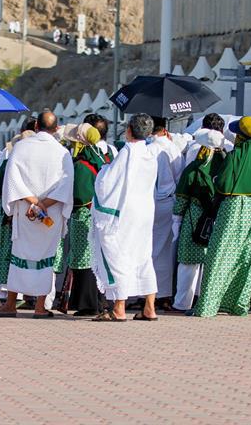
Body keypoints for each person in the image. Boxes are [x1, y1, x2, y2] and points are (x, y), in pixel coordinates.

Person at [0, 111, 74, 318]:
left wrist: (32, 202)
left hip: (25, 211)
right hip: (51, 213)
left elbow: (12, 179)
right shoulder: (63, 152)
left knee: (19, 255)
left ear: (36, 125)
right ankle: (40, 306)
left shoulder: (21, 147)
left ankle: (11, 303)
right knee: (46, 257)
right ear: (57, 128)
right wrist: (44, 204)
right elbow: (66, 185)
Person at [194, 117, 251, 317]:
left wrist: (216, 178)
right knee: (246, 258)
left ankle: (208, 306)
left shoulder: (234, 156)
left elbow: (223, 185)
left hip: (232, 208)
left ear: (241, 136)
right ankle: (237, 304)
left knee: (219, 256)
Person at [90, 113, 159, 321]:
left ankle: (119, 308)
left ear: (129, 130)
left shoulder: (127, 151)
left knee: (119, 253)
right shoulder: (150, 153)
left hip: (124, 213)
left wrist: (103, 169)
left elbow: (107, 182)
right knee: (143, 255)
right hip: (145, 211)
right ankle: (149, 307)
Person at [0, 126, 35, 311]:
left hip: (6, 215)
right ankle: (25, 294)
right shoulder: (37, 166)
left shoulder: (10, 162)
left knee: (0, 254)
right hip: (30, 216)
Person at [172, 130, 226, 312]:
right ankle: (208, 301)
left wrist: (176, 220)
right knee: (212, 263)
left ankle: (182, 303)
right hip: (220, 216)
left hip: (195, 216)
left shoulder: (194, 168)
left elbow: (181, 198)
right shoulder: (227, 166)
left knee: (188, 262)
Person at [64, 123, 107, 316]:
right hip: (99, 214)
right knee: (95, 256)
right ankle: (98, 301)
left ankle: (87, 304)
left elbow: (79, 195)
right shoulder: (103, 158)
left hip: (83, 215)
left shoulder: (81, 165)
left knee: (82, 257)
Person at [148, 117, 184, 308]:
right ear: (165, 129)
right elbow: (180, 174)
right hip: (167, 202)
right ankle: (162, 295)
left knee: (145, 247)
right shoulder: (171, 148)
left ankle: (142, 293)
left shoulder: (146, 147)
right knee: (163, 250)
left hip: (146, 202)